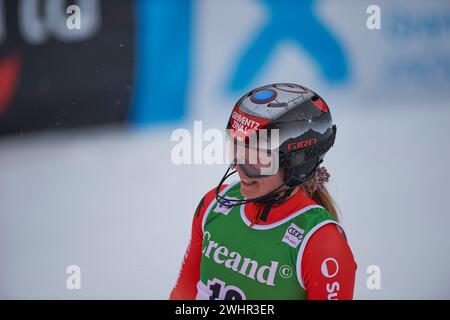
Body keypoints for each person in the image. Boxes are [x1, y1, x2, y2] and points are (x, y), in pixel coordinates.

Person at [169, 83, 357, 300]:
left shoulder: (321, 244)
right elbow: (182, 295)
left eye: (258, 160)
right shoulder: (214, 205)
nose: (241, 169)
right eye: (236, 151)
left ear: (296, 165)